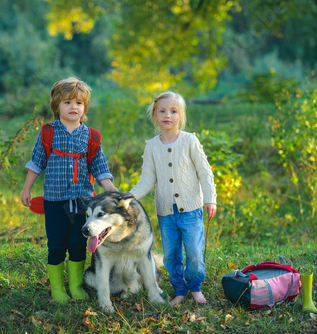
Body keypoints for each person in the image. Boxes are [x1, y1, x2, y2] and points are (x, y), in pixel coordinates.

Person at [21, 77, 118, 303]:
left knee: (78, 243)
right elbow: (36, 162)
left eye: (79, 103)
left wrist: (109, 187)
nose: (73, 107)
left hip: (84, 203)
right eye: (67, 102)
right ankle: (57, 289)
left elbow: (99, 164)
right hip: (55, 201)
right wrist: (27, 189)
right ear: (57, 106)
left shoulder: (91, 136)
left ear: (84, 107)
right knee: (56, 245)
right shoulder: (48, 133)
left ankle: (75, 286)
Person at [129, 91, 217, 305]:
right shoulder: (152, 146)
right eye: (162, 111)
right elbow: (147, 180)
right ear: (154, 115)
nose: (167, 115)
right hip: (166, 213)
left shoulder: (189, 141)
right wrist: (128, 197)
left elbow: (204, 172)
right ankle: (179, 289)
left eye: (173, 111)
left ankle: (195, 287)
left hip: (191, 210)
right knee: (171, 256)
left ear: (181, 115)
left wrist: (210, 198)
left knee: (195, 253)